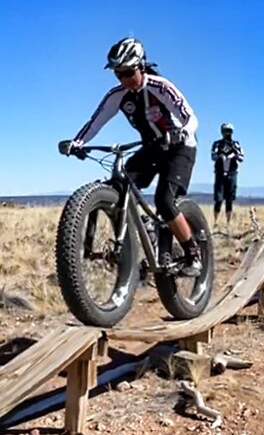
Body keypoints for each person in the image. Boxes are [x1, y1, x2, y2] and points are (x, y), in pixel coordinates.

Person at [61, 37, 203, 277]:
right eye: (118, 74)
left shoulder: (161, 87)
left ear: (141, 66)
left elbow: (190, 117)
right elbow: (96, 122)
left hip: (180, 147)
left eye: (128, 72)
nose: (124, 79)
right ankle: (145, 234)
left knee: (165, 201)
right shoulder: (117, 95)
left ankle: (193, 255)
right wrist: (77, 143)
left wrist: (183, 132)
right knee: (118, 185)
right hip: (152, 147)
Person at [210, 122, 244, 230]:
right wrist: (220, 154)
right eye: (225, 131)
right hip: (220, 174)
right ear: (222, 132)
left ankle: (228, 223)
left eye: (229, 131)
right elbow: (213, 156)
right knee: (218, 199)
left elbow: (242, 158)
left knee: (230, 199)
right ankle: (215, 222)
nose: (227, 133)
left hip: (232, 174)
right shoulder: (217, 144)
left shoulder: (236, 144)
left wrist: (235, 153)